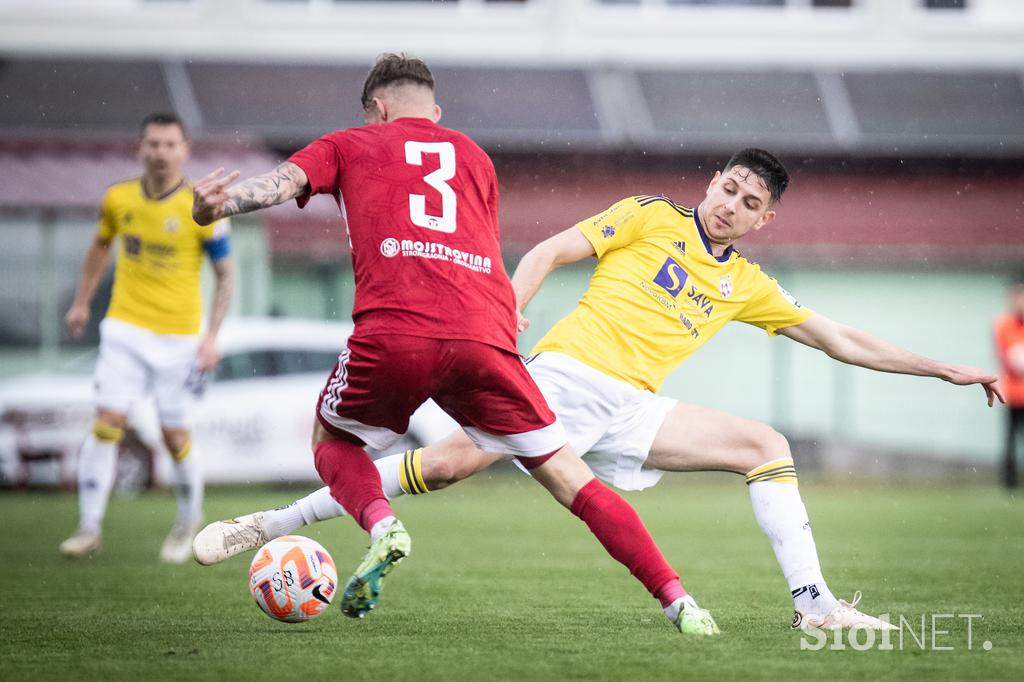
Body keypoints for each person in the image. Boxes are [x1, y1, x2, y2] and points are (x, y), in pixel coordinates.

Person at [196, 148, 1004, 631]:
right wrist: (503, 322)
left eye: (751, 204)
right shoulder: (651, 215)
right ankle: (267, 523)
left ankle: (815, 604)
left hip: (635, 409)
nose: (732, 206)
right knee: (438, 471)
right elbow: (549, 249)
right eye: (729, 188)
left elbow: (841, 340)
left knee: (768, 448)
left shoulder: (748, 283)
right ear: (713, 180)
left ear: (764, 222)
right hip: (564, 380)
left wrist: (943, 368)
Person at [190, 54, 718, 635]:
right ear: (434, 112)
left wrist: (221, 205)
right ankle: (679, 601)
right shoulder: (476, 157)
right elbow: (483, 250)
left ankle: (381, 525)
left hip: (397, 329)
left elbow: (282, 183)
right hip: (486, 337)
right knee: (574, 480)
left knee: (333, 440)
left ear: (378, 108)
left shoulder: (350, 143)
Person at [60, 112, 235, 563]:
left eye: (169, 144)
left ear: (185, 150)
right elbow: (99, 247)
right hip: (124, 328)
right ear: (141, 148)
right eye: (153, 144)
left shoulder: (203, 206)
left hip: (179, 338)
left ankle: (187, 522)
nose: (160, 152)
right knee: (107, 423)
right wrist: (82, 302)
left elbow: (225, 273)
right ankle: (89, 527)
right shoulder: (118, 199)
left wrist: (212, 336)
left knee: (174, 436)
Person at [994, 277, 1024, 489]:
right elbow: (1010, 358)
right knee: (1011, 439)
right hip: (1013, 394)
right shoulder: (1004, 325)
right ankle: (1009, 484)